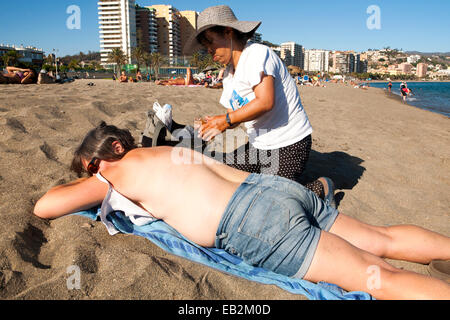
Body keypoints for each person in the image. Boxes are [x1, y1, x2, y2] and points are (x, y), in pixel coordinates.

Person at [33, 122, 450, 300]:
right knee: (385, 240)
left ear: (113, 149)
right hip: (274, 192)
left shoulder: (113, 173)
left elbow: (45, 205)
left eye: (91, 164)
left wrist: (93, 177)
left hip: (255, 222)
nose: (93, 173)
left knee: (381, 277)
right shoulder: (167, 151)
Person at [187, 5, 329, 204]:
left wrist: (226, 121)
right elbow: (236, 116)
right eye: (205, 46)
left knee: (270, 202)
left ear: (228, 32)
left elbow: (265, 101)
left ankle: (319, 188)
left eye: (210, 42)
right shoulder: (228, 75)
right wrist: (214, 123)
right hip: (259, 146)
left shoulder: (256, 54)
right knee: (220, 174)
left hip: (289, 145)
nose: (209, 50)